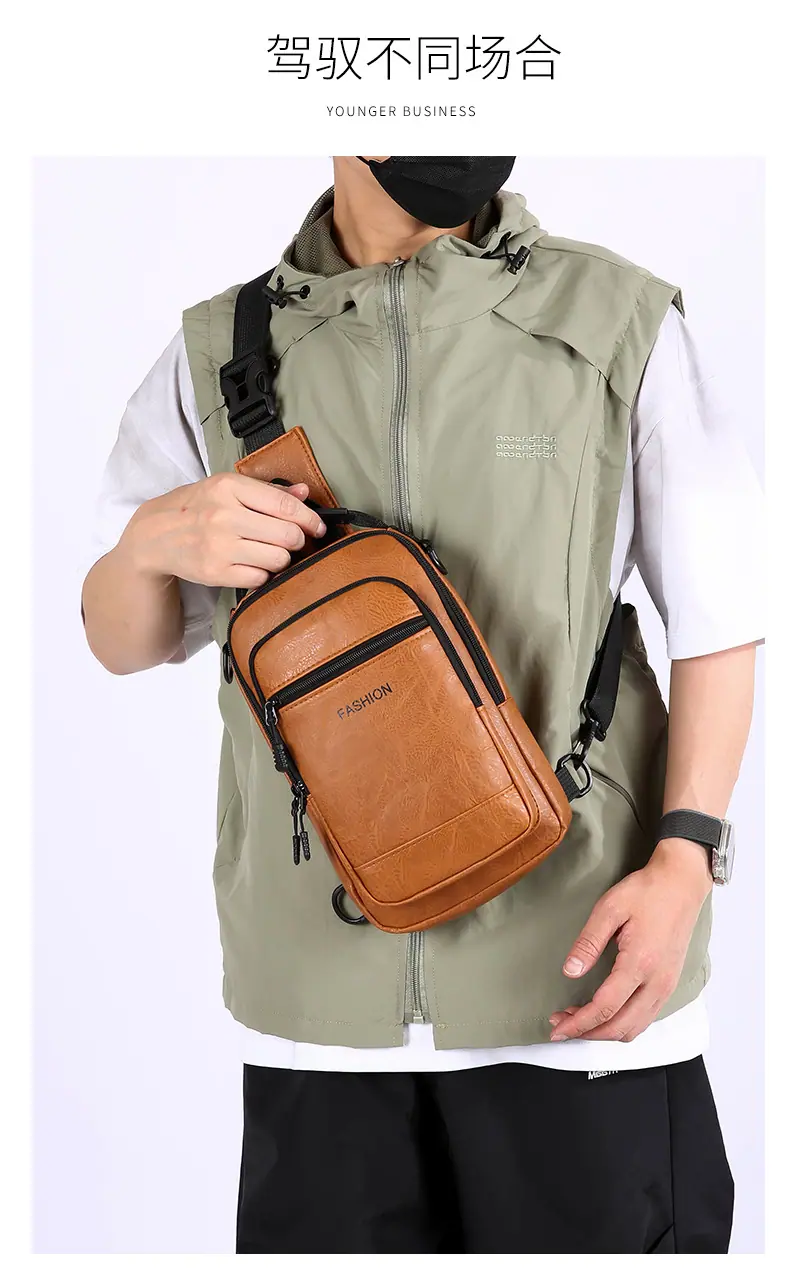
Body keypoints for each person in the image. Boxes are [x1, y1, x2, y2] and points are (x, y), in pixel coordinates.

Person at [81, 156, 763, 1254]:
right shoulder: (220, 348)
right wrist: (149, 544)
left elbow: (721, 616)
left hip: (576, 976)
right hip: (318, 998)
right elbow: (127, 639)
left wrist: (686, 856)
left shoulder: (613, 318)